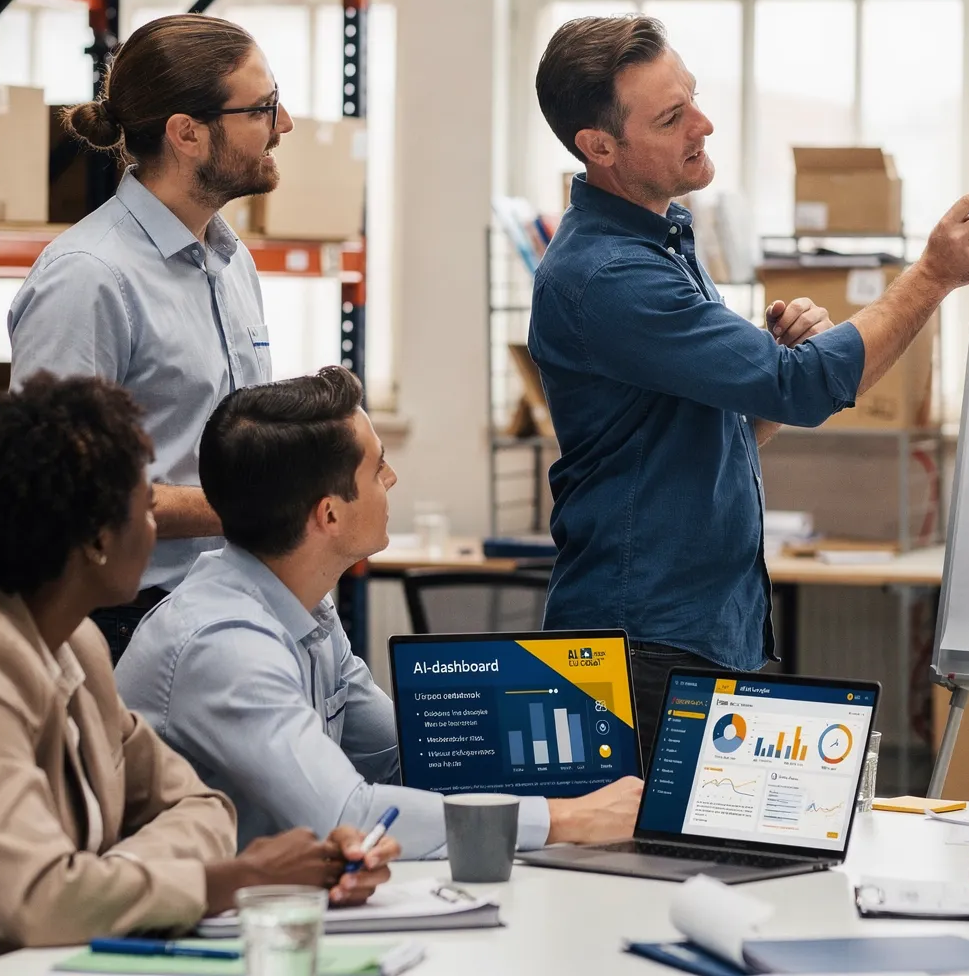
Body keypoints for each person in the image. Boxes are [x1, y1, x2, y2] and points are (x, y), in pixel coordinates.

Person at [0, 376, 394, 976]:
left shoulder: (76, 647)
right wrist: (237, 878)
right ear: (95, 540)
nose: (158, 528)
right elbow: (41, 900)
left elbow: (203, 806)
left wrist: (110, 876)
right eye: (144, 508)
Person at [529, 14, 969, 756]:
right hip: (643, 649)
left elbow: (727, 430)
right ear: (599, 147)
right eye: (672, 116)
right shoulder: (611, 274)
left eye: (693, 97)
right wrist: (934, 275)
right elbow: (808, 388)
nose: (704, 124)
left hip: (693, 634)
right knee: (637, 868)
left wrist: (765, 388)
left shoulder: (662, 241)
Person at [118, 367, 643, 857]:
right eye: (377, 467)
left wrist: (585, 767)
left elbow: (410, 756)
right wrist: (563, 819)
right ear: (329, 514)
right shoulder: (223, 646)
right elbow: (349, 816)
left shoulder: (306, 612)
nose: (391, 478)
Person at [10, 14, 291, 660]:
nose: (285, 126)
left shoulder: (229, 260)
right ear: (187, 134)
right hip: (128, 631)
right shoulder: (88, 280)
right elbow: (68, 493)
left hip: (234, 608)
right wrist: (256, 506)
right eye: (264, 108)